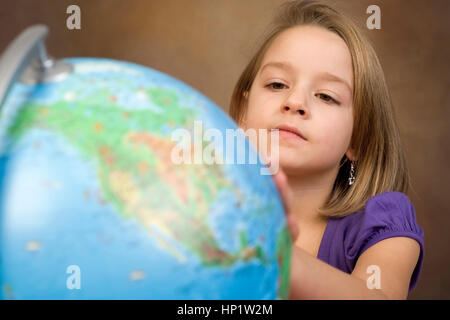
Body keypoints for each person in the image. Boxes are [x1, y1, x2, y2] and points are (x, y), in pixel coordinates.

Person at [229, 0, 424, 299]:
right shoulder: (204, 202)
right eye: (278, 84)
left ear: (357, 138)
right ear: (244, 110)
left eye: (326, 96)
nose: (295, 102)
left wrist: (283, 259)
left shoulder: (379, 224)